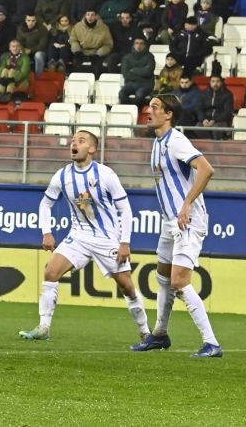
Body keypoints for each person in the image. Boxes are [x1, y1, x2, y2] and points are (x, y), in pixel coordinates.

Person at [18, 129, 149, 343]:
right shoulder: (62, 176)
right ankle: (44, 327)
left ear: (92, 148)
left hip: (106, 238)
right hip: (79, 236)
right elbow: (45, 204)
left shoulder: (105, 174)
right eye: (73, 140)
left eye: (81, 141)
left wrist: (125, 242)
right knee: (51, 271)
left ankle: (145, 332)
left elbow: (125, 209)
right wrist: (46, 232)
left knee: (127, 286)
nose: (74, 144)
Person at [132, 93, 223, 358]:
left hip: (187, 220)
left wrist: (186, 205)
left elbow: (206, 169)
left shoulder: (176, 141)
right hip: (170, 221)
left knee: (179, 281)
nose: (148, 111)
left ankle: (212, 343)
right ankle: (159, 334)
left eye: (155, 107)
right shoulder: (158, 142)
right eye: (149, 106)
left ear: (169, 114)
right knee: (163, 276)